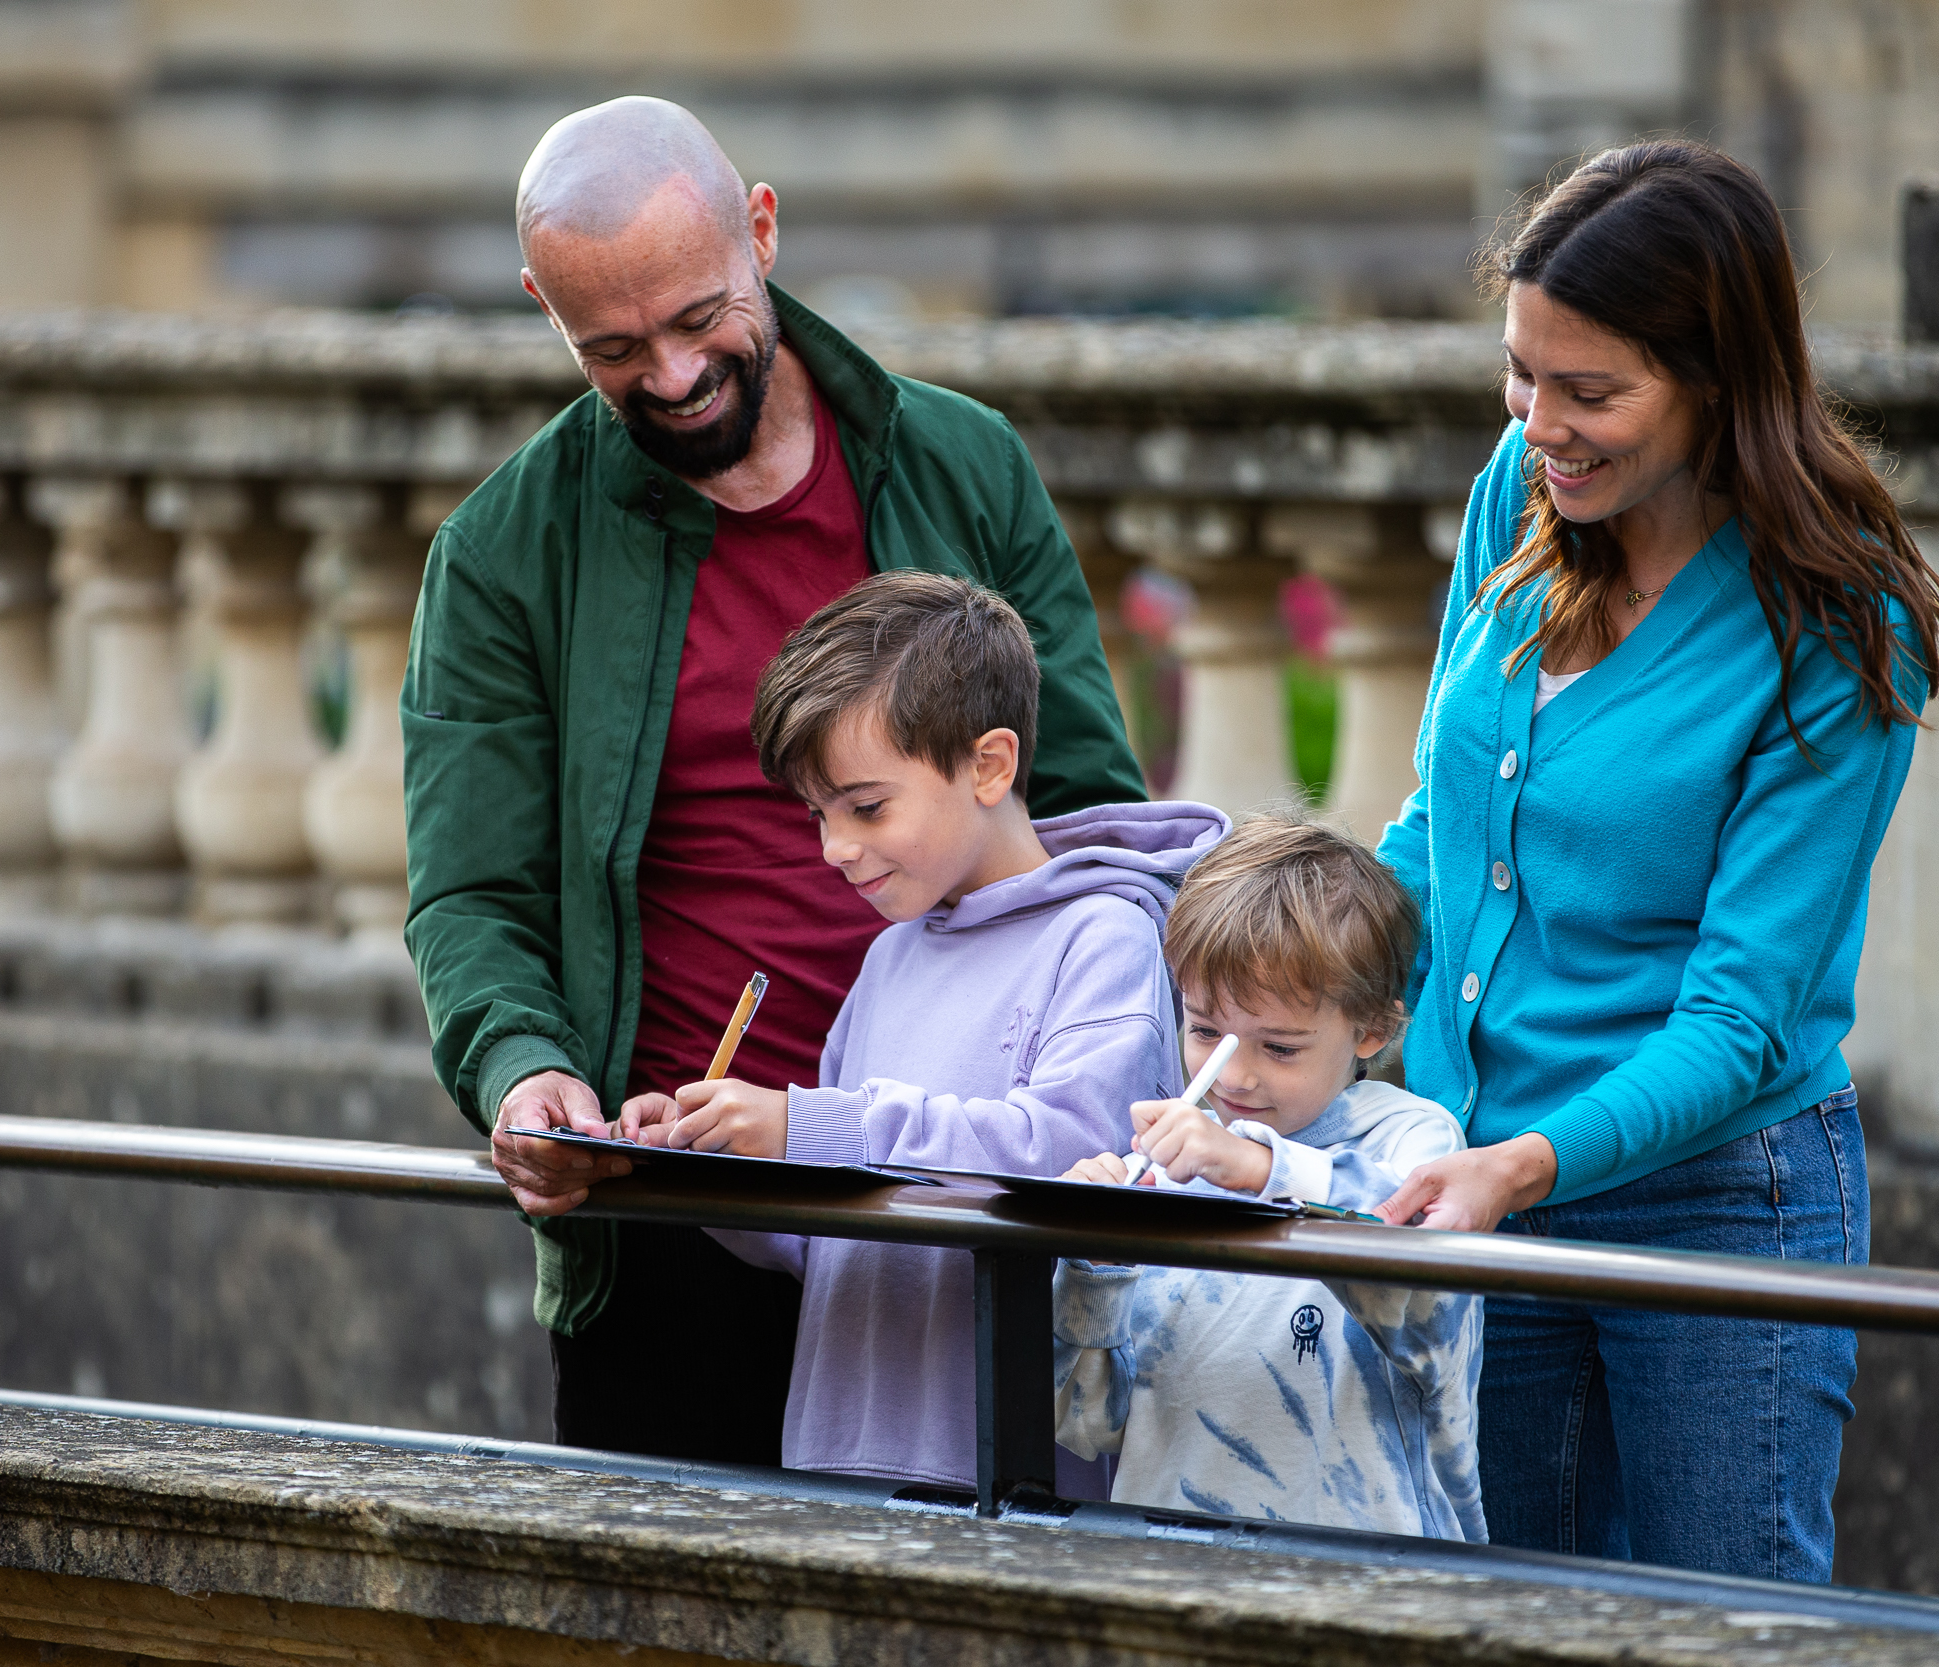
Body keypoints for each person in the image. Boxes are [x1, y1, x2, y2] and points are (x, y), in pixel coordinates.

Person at [400, 97, 1146, 1466]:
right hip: (677, 1216)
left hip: (968, 1199)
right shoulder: (503, 552)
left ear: (762, 227)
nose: (675, 375)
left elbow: (1093, 811)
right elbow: (469, 893)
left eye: (699, 319)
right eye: (612, 350)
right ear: (542, 309)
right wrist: (527, 1070)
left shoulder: (963, 463)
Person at [1371, 141, 1939, 1580]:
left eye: (1593, 393)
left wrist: (1525, 1163)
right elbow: (1436, 834)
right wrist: (1271, 992)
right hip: (1474, 1166)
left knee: (1723, 1624)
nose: (1543, 423)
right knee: (1506, 1610)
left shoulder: (1836, 625)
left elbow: (1740, 1016)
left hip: (1719, 1196)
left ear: (1721, 380)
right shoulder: (1514, 491)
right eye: (1525, 374)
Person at [624, 571, 1224, 1490]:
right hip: (834, 1459)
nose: (835, 847)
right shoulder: (889, 956)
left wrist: (815, 1125)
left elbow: (1069, 1159)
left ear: (989, 764)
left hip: (1009, 1482)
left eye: (866, 807)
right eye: (819, 814)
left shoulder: (1105, 935)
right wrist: (707, 1167)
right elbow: (830, 1237)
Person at [1051, 814, 1485, 1540]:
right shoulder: (1168, 1166)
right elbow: (1088, 1424)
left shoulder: (1416, 1141)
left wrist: (1258, 1167)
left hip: (1374, 1590)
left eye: (1279, 1047)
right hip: (1169, 1577)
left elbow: (1417, 1304)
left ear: (1373, 1028)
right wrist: (1096, 1262)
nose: (1236, 1073)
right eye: (1202, 1030)